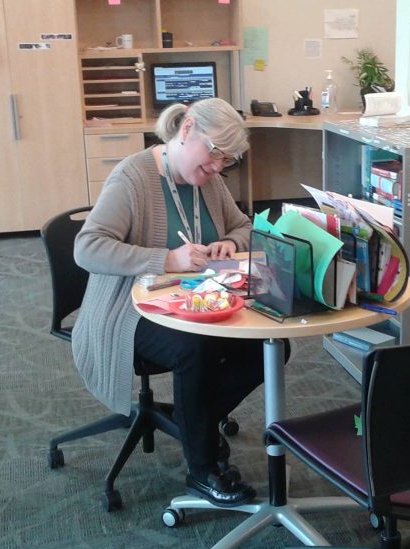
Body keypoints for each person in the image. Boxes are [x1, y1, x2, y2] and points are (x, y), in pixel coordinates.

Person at [72, 98, 285, 507]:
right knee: (196, 348)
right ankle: (202, 468)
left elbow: (243, 225)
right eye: (213, 155)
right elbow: (88, 247)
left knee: (272, 345)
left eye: (226, 160)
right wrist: (166, 260)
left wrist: (229, 242)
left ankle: (192, 421)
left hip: (201, 302)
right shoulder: (132, 178)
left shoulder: (206, 177)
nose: (217, 168)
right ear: (186, 130)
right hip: (129, 311)